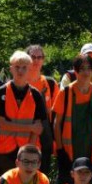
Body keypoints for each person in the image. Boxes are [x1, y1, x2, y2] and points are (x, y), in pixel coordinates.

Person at [0, 50, 47, 177]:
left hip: (28, 150)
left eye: (24, 68)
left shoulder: (36, 95)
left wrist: (29, 150)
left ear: (29, 69)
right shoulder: (0, 93)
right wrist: (29, 127)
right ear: (11, 69)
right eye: (17, 67)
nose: (20, 71)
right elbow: (2, 124)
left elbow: (37, 127)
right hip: (5, 150)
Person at [53, 54, 92, 184]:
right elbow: (56, 124)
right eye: (81, 69)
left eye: (88, 68)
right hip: (69, 152)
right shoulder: (65, 93)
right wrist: (59, 150)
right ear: (75, 71)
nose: (85, 72)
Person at [26, 44, 58, 177]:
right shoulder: (19, 83)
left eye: (40, 57)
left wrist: (55, 140)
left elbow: (56, 114)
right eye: (33, 57)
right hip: (24, 139)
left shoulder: (50, 84)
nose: (36, 60)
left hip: (45, 140)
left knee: (42, 177)